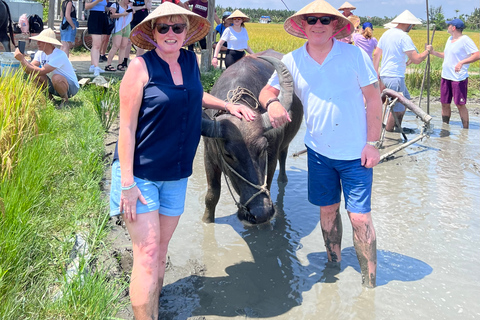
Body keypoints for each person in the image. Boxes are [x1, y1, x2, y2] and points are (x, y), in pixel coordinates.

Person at [111, 3, 255, 318]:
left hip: (176, 175)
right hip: (140, 174)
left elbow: (194, 94)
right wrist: (127, 183)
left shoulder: (189, 61)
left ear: (187, 32)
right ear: (153, 32)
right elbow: (126, 127)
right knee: (147, 254)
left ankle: (154, 305)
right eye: (164, 28)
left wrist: (229, 107)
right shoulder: (140, 67)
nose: (172, 33)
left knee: (160, 251)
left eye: (178, 28)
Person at [258, 0, 382, 288]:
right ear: (302, 26)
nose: (317, 25)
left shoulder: (353, 56)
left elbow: (374, 99)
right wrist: (272, 103)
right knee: (327, 211)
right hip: (318, 152)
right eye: (311, 20)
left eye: (324, 20)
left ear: (335, 26)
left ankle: (370, 284)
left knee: (360, 218)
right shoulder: (291, 61)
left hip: (355, 153)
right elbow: (267, 89)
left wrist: (372, 142)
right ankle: (333, 267)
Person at [373, 10, 432, 132]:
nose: (412, 28)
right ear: (408, 24)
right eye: (412, 26)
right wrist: (427, 51)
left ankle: (396, 127)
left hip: (385, 75)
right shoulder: (404, 37)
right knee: (397, 107)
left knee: (405, 101)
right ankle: (390, 133)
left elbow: (376, 54)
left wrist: (375, 72)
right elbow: (416, 59)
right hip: (395, 76)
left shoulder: (386, 34)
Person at [429, 19, 480, 129]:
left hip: (458, 78)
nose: (447, 26)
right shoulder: (450, 39)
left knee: (460, 104)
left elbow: (477, 54)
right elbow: (447, 55)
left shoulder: (465, 40)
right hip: (446, 76)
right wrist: (434, 52)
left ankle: (465, 129)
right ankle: (445, 127)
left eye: (449, 25)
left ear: (454, 28)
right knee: (444, 103)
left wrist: (462, 62)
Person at [14, 28, 79, 107]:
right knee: (33, 75)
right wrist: (22, 60)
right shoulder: (40, 53)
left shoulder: (59, 55)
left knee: (56, 77)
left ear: (48, 43)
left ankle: (65, 101)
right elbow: (30, 70)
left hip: (71, 87)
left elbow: (41, 71)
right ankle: (50, 100)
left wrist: (22, 59)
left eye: (40, 41)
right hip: (54, 83)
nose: (37, 43)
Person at [120, 0, 152, 67]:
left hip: (143, 19)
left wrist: (145, 4)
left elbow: (148, 7)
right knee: (129, 41)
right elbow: (131, 8)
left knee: (141, 40)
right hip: (132, 19)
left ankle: (138, 60)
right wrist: (142, 7)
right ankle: (125, 60)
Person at [104, 0, 133, 71]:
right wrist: (122, 14)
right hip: (118, 27)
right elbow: (112, 15)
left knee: (123, 46)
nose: (129, 2)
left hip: (126, 27)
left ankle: (120, 63)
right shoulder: (115, 5)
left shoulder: (129, 7)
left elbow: (131, 17)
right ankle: (108, 64)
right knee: (116, 45)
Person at [85, 0, 109, 76]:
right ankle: (96, 66)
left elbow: (103, 6)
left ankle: (93, 65)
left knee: (100, 42)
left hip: (103, 16)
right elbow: (87, 6)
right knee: (97, 44)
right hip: (94, 16)